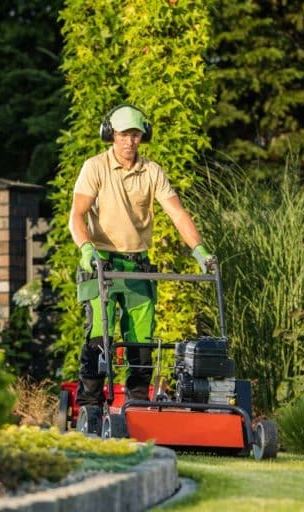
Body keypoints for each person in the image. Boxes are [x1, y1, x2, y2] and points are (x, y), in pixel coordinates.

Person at [68, 103, 215, 412]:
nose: (129, 142)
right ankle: (90, 406)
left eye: (135, 135)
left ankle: (136, 405)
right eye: (123, 135)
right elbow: (77, 215)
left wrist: (199, 250)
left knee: (141, 342)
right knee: (99, 338)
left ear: (142, 136)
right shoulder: (95, 167)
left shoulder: (152, 171)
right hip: (102, 264)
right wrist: (85, 247)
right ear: (111, 134)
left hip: (138, 266)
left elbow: (177, 213)